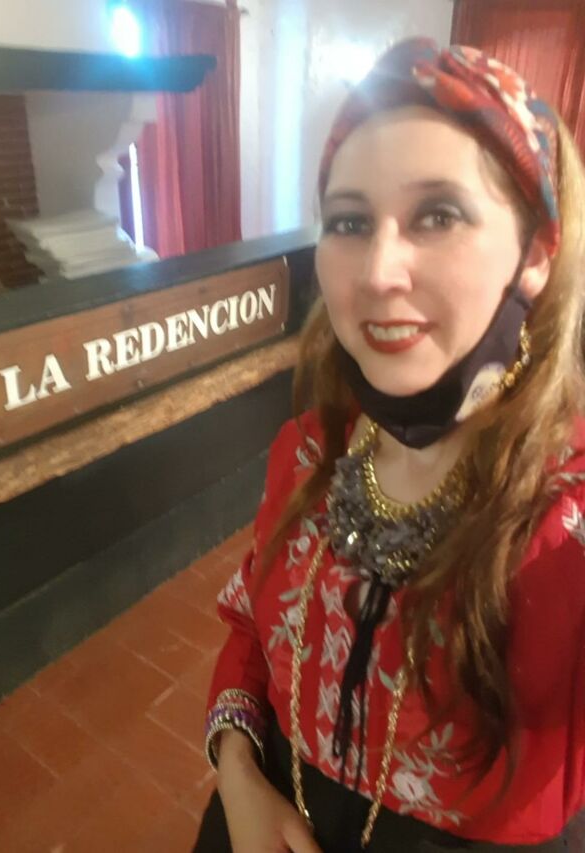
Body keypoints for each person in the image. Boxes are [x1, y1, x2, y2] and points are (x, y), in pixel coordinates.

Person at [193, 38, 585, 852]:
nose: (377, 272)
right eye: (349, 221)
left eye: (438, 214)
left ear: (535, 253)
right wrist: (236, 768)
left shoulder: (566, 518)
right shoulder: (309, 453)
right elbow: (251, 630)